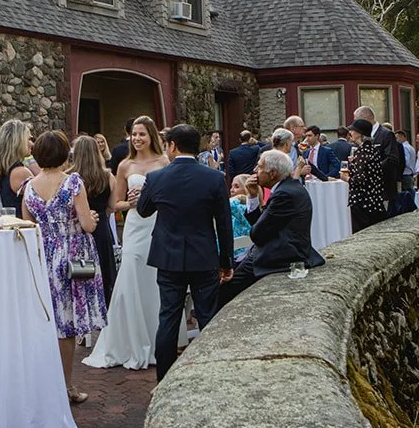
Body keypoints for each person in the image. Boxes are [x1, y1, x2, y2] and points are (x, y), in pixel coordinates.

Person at [136, 124, 234, 380]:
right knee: (207, 316)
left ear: (172, 146)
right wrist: (227, 261)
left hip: (168, 256)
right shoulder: (214, 178)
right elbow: (224, 224)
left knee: (168, 317)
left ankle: (164, 379)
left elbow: (143, 210)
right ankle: (211, 373)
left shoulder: (157, 177)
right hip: (203, 256)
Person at [22, 130, 107, 405]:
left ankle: (43, 383)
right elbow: (87, 225)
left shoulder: (28, 186)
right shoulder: (72, 182)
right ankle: (66, 385)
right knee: (66, 326)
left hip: (43, 255)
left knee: (46, 320)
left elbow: (28, 227)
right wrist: (92, 218)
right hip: (71, 255)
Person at [85, 116, 171, 370]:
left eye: (142, 134)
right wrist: (131, 203)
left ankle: (156, 341)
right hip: (135, 227)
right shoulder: (125, 165)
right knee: (131, 273)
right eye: (134, 134)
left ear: (151, 135)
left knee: (154, 278)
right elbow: (114, 204)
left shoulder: (163, 162)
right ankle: (129, 341)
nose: (137, 138)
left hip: (156, 225)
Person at [218, 149, 326, 308]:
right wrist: (253, 197)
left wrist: (256, 227)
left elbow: (257, 233)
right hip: (278, 249)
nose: (255, 170)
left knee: (224, 290)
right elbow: (262, 224)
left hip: (279, 255)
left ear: (273, 173)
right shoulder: (288, 187)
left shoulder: (284, 194)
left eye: (260, 167)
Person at [71, 135, 118, 307]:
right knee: (103, 271)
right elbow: (112, 205)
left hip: (77, 228)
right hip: (101, 227)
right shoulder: (108, 176)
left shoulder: (69, 177)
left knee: (80, 272)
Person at [344, 118, 387, 232]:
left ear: (359, 133)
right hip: (374, 201)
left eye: (352, 131)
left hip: (362, 202)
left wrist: (346, 178)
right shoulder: (373, 149)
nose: (350, 133)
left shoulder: (362, 152)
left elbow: (360, 180)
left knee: (362, 233)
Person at [0, 119, 34, 212]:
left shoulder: (3, 168)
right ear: (18, 142)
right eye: (28, 139)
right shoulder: (20, 172)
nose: (31, 144)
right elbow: (39, 202)